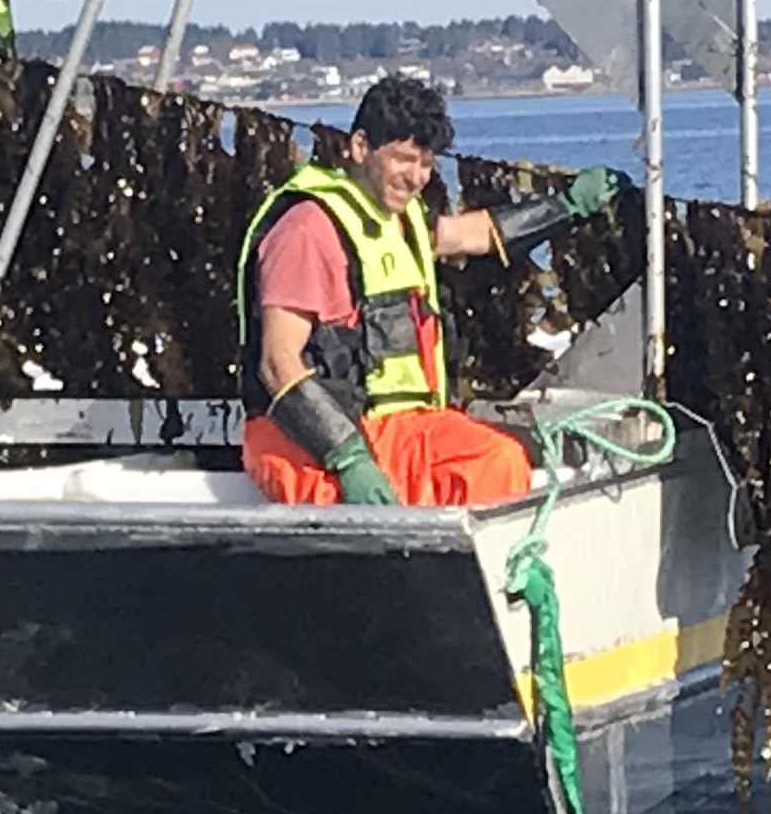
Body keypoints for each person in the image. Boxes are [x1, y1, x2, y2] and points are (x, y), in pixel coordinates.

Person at [239, 72, 627, 508]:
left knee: (504, 457)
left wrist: (568, 206)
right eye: (404, 159)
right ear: (361, 147)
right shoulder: (306, 232)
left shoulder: (399, 221)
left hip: (398, 428)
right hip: (310, 441)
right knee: (492, 463)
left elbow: (472, 235)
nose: (416, 177)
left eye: (426, 163)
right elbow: (276, 363)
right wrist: (348, 458)